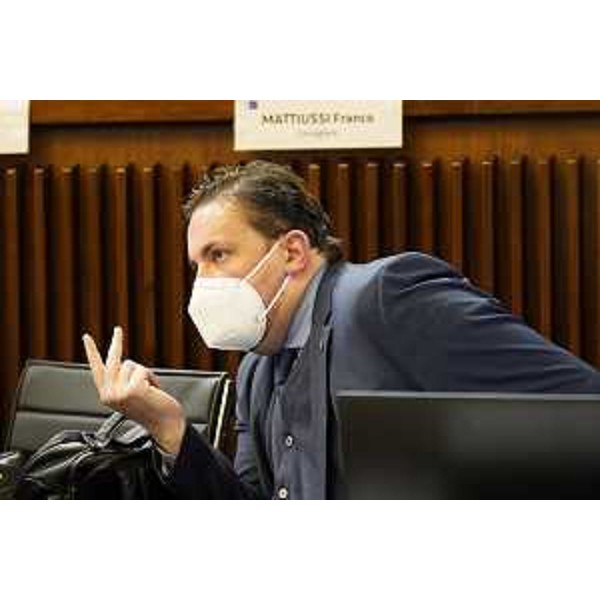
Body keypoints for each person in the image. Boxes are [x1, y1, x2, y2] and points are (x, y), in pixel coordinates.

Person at [83, 160, 600, 499]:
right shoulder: (259, 368)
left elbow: (579, 411)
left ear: (292, 251)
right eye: (197, 265)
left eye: (219, 255)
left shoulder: (384, 297)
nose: (204, 282)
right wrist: (170, 429)